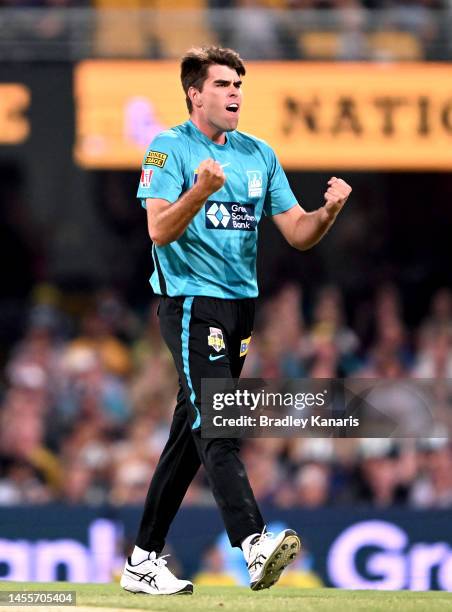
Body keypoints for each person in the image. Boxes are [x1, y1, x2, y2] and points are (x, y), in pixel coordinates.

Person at [120, 46, 352, 596]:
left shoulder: (258, 154)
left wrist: (328, 213)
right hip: (192, 304)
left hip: (240, 308)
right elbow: (158, 231)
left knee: (189, 434)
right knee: (218, 423)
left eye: (239, 84)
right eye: (223, 84)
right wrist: (199, 190)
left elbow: (297, 232)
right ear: (194, 93)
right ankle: (253, 543)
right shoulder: (167, 148)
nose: (235, 94)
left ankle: (142, 560)